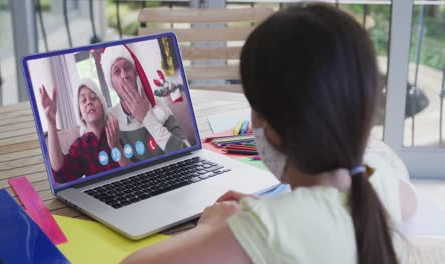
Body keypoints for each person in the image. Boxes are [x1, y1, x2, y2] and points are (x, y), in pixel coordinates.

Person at [121, 4, 417, 264]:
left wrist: (213, 230)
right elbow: (406, 202)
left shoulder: (264, 231)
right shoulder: (380, 180)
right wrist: (281, 212)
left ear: (272, 130)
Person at [101, 44, 188, 162]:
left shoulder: (159, 106)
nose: (124, 75)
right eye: (117, 71)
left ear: (135, 73)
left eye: (127, 68)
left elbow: (185, 151)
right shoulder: (112, 119)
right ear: (111, 83)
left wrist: (146, 118)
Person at [40, 78, 131, 184]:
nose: (89, 102)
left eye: (93, 97)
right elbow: (61, 173)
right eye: (83, 100)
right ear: (81, 115)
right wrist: (52, 122)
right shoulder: (80, 147)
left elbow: (135, 173)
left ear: (102, 106)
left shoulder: (117, 131)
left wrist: (116, 147)